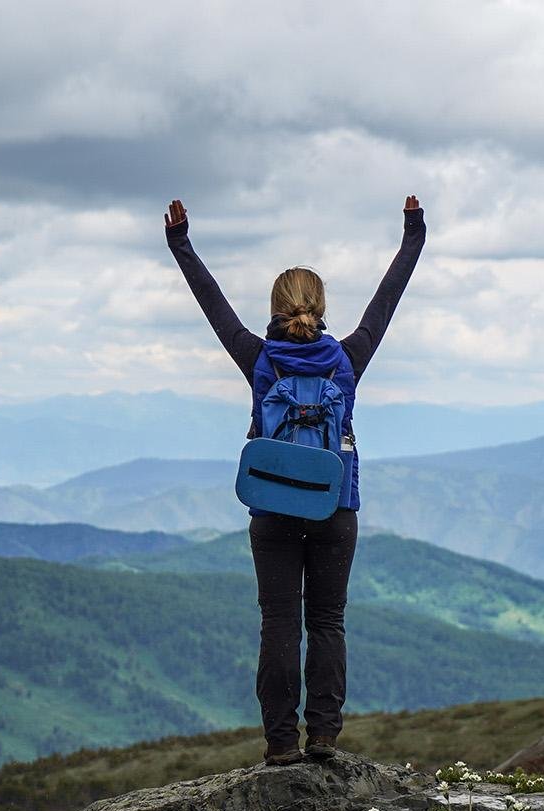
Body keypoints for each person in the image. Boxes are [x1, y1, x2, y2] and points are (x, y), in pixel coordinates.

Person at [164, 194, 426, 766]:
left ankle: (282, 743)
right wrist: (413, 235)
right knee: (328, 621)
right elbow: (388, 300)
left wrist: (181, 244)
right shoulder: (347, 359)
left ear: (276, 308)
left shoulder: (259, 360)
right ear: (322, 305)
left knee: (280, 623)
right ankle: (325, 737)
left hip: (274, 509)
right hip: (335, 508)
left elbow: (213, 306)